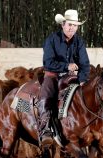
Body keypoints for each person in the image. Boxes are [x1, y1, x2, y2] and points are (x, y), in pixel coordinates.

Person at [38, 9, 90, 146]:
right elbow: (48, 62)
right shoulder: (51, 40)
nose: (72, 28)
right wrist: (67, 66)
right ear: (63, 24)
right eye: (69, 25)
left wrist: (83, 79)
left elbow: (85, 64)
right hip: (53, 75)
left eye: (74, 25)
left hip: (72, 77)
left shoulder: (79, 42)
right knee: (46, 96)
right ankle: (45, 130)